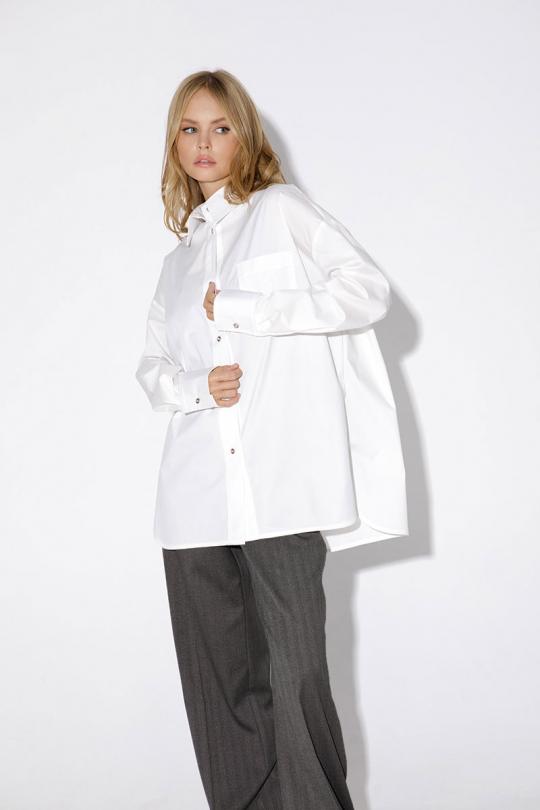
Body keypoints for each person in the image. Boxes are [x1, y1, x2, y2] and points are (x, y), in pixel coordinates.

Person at [135, 68, 408, 810]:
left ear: (244, 135)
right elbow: (153, 370)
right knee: (221, 690)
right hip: (194, 501)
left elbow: (366, 290)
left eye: (220, 127)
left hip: (282, 489)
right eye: (189, 129)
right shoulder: (176, 264)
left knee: (297, 675)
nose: (204, 142)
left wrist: (249, 307)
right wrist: (199, 387)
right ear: (175, 144)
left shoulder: (281, 211)